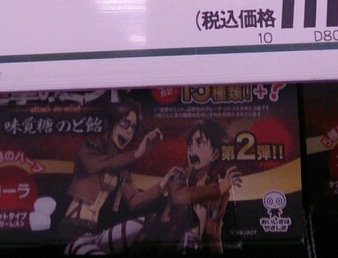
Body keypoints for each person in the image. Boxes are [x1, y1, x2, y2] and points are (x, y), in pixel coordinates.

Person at [59, 99, 174, 254]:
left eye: (133, 127)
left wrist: (163, 184)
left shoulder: (121, 167)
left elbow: (134, 200)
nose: (129, 131)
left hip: (95, 235)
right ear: (112, 122)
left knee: (148, 222)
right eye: (125, 123)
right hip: (72, 234)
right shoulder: (89, 149)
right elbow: (97, 165)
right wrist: (136, 155)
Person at [152, 118, 242, 253]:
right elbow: (179, 197)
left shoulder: (221, 190)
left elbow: (215, 234)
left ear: (215, 154)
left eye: (200, 142)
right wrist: (218, 189)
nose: (191, 149)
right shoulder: (179, 175)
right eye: (190, 143)